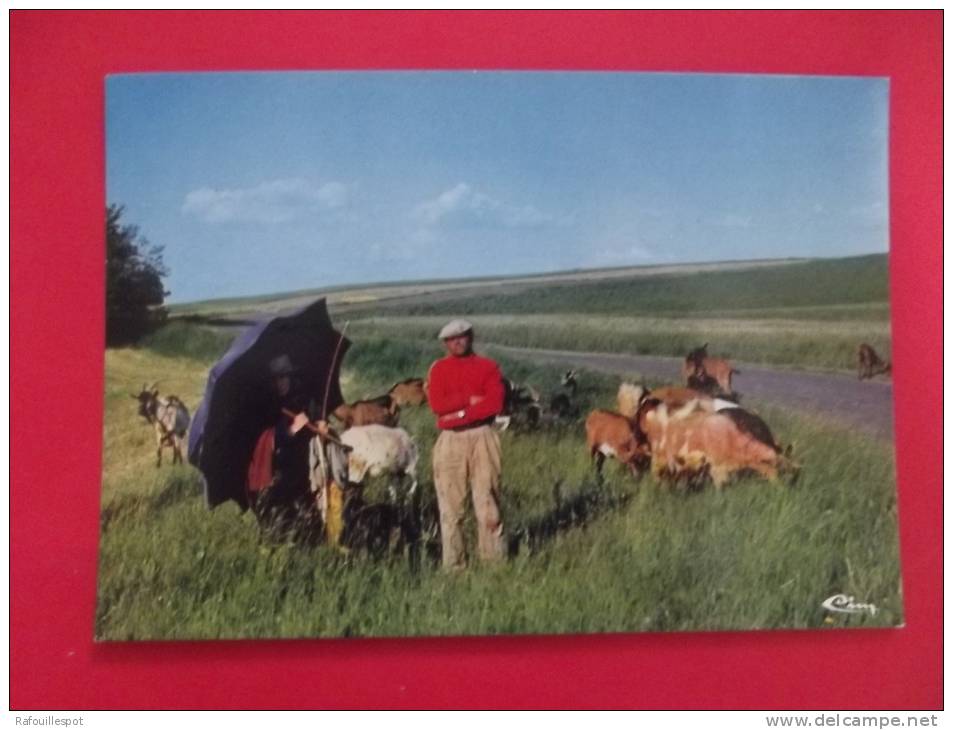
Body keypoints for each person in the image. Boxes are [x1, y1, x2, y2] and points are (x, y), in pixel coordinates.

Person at [426, 319, 506, 570]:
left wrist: (458, 412)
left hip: (483, 436)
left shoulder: (488, 367)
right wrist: (469, 400)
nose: (457, 342)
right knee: (450, 508)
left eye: (462, 336)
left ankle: (494, 565)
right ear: (445, 343)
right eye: (451, 339)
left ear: (471, 337)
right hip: (450, 440)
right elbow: (437, 406)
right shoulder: (438, 369)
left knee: (488, 502)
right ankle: (455, 567)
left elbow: (494, 404)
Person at [248, 354, 330, 542]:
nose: (280, 382)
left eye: (284, 377)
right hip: (275, 474)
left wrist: (322, 425)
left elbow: (317, 420)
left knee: (311, 525)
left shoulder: (303, 400)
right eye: (276, 378)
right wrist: (292, 429)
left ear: (291, 377)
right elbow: (262, 438)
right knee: (276, 524)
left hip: (302, 470)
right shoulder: (266, 405)